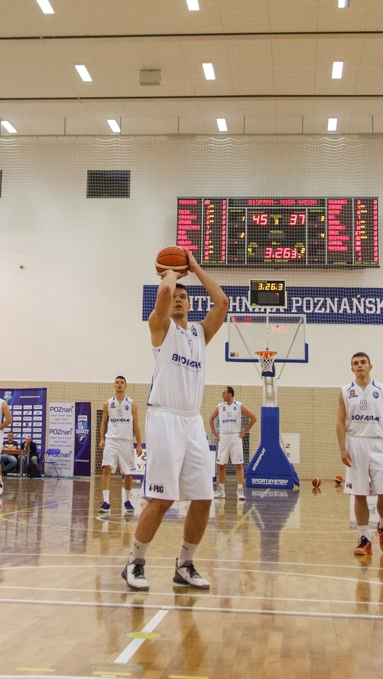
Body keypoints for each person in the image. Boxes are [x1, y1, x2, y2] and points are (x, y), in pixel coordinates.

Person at [122, 248, 228, 592]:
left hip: (192, 422)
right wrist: (170, 273)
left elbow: (222, 303)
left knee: (202, 498)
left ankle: (185, 565)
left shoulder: (199, 334)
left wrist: (193, 267)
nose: (179, 299)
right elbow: (165, 294)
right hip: (164, 418)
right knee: (163, 498)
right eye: (176, 297)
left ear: (191, 304)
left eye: (185, 297)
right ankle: (134, 563)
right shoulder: (160, 328)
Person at [339, 354, 383, 557]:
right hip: (355, 443)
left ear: (370, 365)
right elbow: (340, 422)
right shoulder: (345, 391)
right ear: (352, 368)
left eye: (363, 362)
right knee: (360, 493)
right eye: (355, 363)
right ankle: (364, 538)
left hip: (379, 443)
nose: (359, 366)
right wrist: (342, 448)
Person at [101, 376, 142, 515]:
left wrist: (139, 444)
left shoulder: (132, 404)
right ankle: (106, 502)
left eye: (122, 383)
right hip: (111, 440)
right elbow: (103, 422)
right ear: (114, 385)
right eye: (117, 383)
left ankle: (127, 501)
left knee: (128, 472)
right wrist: (102, 439)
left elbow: (136, 425)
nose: (119, 385)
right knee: (107, 469)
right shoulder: (107, 403)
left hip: (126, 441)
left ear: (126, 386)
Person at [212, 386, 256, 502]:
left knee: (238, 464)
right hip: (224, 437)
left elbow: (253, 418)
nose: (222, 395)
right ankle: (221, 490)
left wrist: (245, 431)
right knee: (221, 465)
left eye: (224, 393)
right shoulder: (220, 407)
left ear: (230, 394)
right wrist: (216, 434)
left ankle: (240, 490)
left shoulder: (239, 405)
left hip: (235, 437)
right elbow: (210, 419)